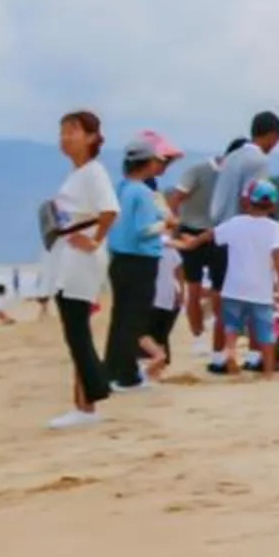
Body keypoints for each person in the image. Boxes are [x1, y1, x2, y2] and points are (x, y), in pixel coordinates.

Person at [45, 109, 120, 428]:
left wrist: (95, 240)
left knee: (76, 328)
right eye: (62, 131)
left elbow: (109, 210)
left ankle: (87, 403)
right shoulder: (77, 174)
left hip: (82, 258)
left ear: (91, 137)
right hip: (68, 255)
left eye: (73, 131)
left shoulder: (93, 172)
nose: (65, 137)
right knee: (74, 327)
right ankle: (84, 399)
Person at [105, 131, 177, 393]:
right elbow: (143, 230)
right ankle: (126, 376)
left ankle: (111, 371)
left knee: (120, 317)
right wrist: (165, 224)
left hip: (119, 259)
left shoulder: (120, 188)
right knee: (133, 319)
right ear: (147, 164)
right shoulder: (141, 193)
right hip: (140, 260)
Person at [212, 180, 279, 377]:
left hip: (233, 286)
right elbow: (278, 258)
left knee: (231, 326)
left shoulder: (235, 223)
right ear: (273, 205)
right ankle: (267, 371)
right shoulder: (274, 228)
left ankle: (230, 352)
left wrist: (190, 243)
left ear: (247, 201)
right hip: (260, 289)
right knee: (265, 332)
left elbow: (213, 235)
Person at [163, 137, 228, 345]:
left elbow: (175, 198)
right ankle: (205, 336)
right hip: (211, 233)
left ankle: (198, 335)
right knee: (212, 289)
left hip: (197, 231)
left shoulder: (197, 170)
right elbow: (176, 198)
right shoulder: (221, 173)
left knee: (196, 287)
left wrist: (174, 226)